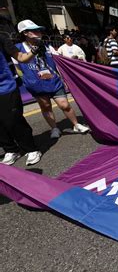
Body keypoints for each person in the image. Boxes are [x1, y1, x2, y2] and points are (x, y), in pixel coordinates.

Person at [14, 19, 90, 140]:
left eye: (38, 30)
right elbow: (17, 67)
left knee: (65, 105)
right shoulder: (17, 49)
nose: (38, 32)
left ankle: (76, 124)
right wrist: (28, 79)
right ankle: (54, 128)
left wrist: (65, 77)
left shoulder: (47, 46)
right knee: (45, 107)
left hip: (54, 81)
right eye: (34, 30)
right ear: (25, 33)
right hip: (36, 84)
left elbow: (59, 62)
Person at [0, 27, 42, 166]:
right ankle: (11, 150)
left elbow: (21, 57)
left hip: (6, 87)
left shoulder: (1, 39)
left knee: (13, 120)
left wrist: (34, 50)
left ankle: (31, 149)